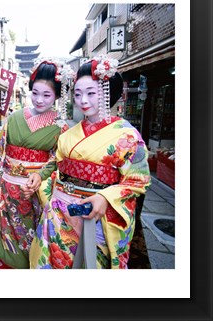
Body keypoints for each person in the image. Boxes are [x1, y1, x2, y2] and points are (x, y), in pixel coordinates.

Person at [29, 55, 151, 269]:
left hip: (96, 216)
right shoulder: (68, 135)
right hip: (58, 213)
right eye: (78, 94)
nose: (83, 100)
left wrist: (105, 197)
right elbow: (57, 166)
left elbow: (137, 181)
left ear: (106, 93)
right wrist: (47, 191)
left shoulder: (127, 136)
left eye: (91, 93)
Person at [0, 60, 71, 269]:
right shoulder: (14, 118)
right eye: (35, 93)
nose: (39, 100)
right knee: (2, 240)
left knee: (33, 241)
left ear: (58, 96)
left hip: (35, 194)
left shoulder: (62, 126)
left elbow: (59, 159)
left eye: (47, 95)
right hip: (6, 192)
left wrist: (41, 176)